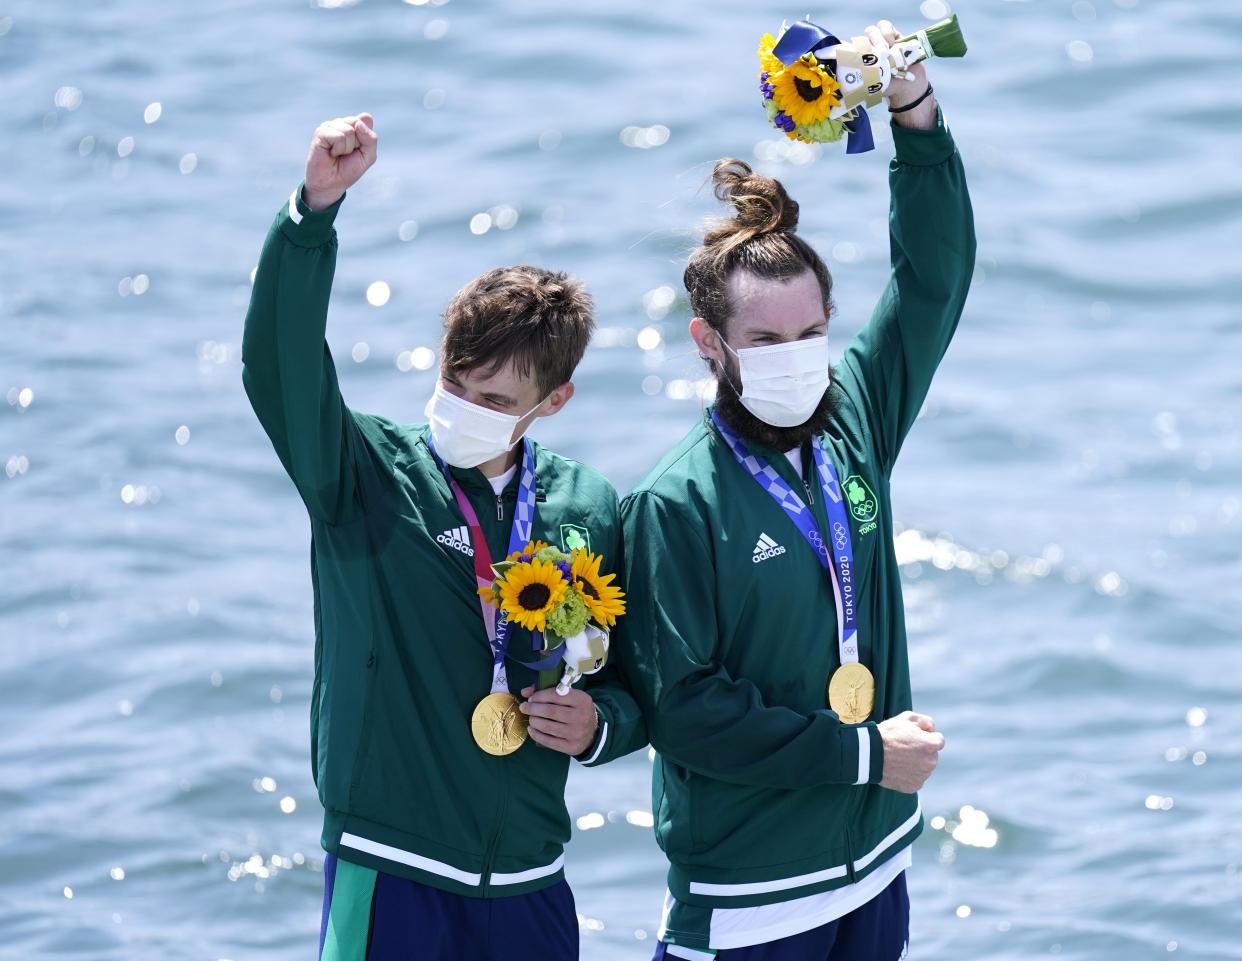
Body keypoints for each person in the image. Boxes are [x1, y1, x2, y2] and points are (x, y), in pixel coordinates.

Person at [241, 112, 645, 961]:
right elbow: (279, 366)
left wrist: (599, 723)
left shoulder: (588, 504)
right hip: (393, 868)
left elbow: (640, 677)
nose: (467, 408)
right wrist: (312, 213)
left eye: (496, 401)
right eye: (456, 383)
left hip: (532, 878)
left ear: (555, 401)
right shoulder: (364, 474)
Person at [619, 20, 976, 961]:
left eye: (810, 334)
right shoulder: (674, 503)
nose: (797, 359)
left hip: (876, 866)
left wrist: (915, 114)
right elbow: (686, 710)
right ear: (710, 344)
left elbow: (933, 279)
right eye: (767, 343)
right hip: (750, 898)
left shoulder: (855, 414)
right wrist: (865, 756)